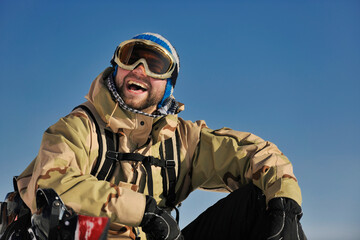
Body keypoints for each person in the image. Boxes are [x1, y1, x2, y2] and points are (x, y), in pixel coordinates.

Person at [16, 32, 306, 240]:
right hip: (88, 236)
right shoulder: (78, 127)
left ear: (168, 85)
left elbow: (253, 154)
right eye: (130, 58)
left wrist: (287, 204)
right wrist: (145, 212)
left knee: (260, 202)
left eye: (154, 65)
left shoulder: (182, 140)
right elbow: (52, 182)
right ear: (116, 68)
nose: (139, 69)